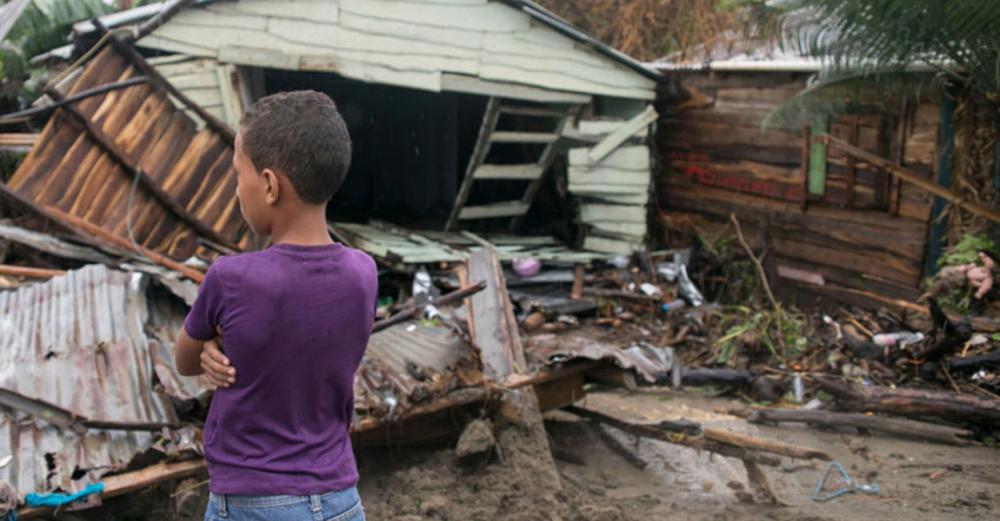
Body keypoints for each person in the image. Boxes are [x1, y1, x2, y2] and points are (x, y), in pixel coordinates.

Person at [174, 90, 376, 521]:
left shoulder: (232, 278)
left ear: (268, 185)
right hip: (341, 499)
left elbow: (185, 361)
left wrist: (209, 348)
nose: (236, 188)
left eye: (237, 174)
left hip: (254, 503)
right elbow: (304, 343)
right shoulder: (363, 273)